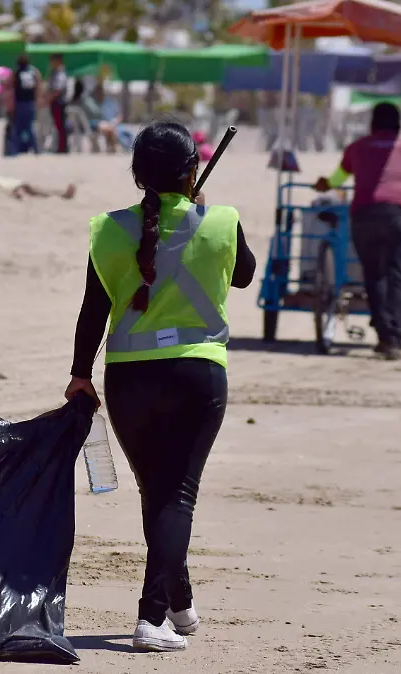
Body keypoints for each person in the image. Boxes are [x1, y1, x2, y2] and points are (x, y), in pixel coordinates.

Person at [63, 120, 256, 653]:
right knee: (176, 495)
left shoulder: (109, 229)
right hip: (197, 374)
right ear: (191, 169)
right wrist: (199, 210)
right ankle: (151, 618)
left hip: (130, 380)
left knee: (160, 492)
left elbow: (92, 309)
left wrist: (80, 374)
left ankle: (180, 602)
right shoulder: (220, 221)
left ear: (138, 176)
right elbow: (244, 275)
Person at [315, 102, 401, 360]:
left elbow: (338, 179)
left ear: (372, 124)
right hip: (397, 215)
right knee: (400, 276)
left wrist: (324, 184)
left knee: (374, 276)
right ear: (399, 124)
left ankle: (385, 336)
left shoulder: (357, 147)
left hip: (364, 214)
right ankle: (394, 337)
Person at [72, 80, 119, 153]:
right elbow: (94, 114)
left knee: (110, 129)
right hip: (91, 123)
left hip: (94, 123)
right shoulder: (87, 100)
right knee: (110, 129)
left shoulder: (90, 100)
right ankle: (112, 148)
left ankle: (111, 147)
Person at [9, 52, 41, 155]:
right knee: (30, 127)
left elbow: (12, 87)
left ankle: (15, 150)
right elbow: (38, 86)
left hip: (20, 102)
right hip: (30, 102)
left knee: (18, 127)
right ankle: (36, 149)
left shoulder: (17, 72)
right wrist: (37, 100)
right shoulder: (33, 72)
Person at [47, 53, 69, 154]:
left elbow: (58, 89)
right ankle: (60, 147)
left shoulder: (61, 73)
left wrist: (50, 97)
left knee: (61, 126)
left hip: (59, 102)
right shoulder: (54, 72)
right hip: (55, 102)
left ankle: (62, 148)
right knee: (58, 126)